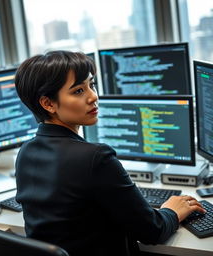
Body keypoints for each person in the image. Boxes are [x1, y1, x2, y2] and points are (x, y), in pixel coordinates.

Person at [14, 50, 205, 256]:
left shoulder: (26, 151)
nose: (93, 96)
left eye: (91, 84)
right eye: (78, 91)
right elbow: (153, 231)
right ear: (48, 103)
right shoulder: (96, 157)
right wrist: (172, 210)